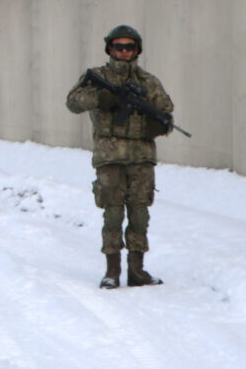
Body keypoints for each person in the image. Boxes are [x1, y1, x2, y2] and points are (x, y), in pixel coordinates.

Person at [66, 24, 173, 289]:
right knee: (112, 213)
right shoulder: (96, 76)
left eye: (129, 47)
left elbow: (166, 112)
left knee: (139, 213)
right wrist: (100, 98)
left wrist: (158, 125)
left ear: (136, 50)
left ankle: (137, 271)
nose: (123, 51)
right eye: (118, 46)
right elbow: (73, 102)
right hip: (110, 157)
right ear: (110, 49)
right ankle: (112, 271)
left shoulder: (149, 83)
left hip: (141, 158)